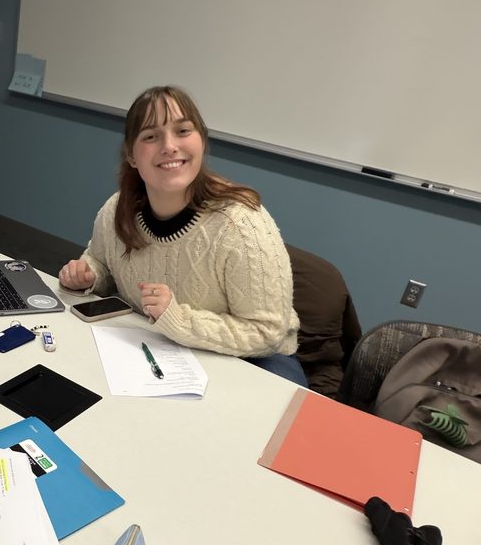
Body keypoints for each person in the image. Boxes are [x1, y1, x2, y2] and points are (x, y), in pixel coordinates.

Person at [59, 85, 305, 384]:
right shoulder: (116, 210)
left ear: (202, 141)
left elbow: (267, 333)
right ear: (132, 156)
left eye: (183, 131)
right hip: (157, 344)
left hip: (257, 359)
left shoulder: (242, 225)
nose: (169, 146)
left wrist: (179, 319)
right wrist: (89, 275)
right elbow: (101, 261)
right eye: (151, 136)